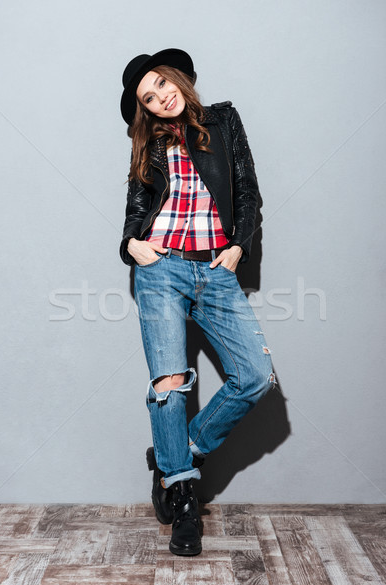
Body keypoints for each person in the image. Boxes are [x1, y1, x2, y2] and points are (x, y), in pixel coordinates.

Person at [119, 48, 277, 556]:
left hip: (214, 267)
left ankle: (174, 462)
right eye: (149, 98)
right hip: (160, 268)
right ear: (145, 109)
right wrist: (129, 244)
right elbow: (138, 205)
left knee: (254, 377)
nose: (161, 98)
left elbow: (248, 190)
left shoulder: (223, 120)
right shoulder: (150, 144)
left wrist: (238, 247)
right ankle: (185, 502)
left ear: (178, 79)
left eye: (162, 85)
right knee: (169, 384)